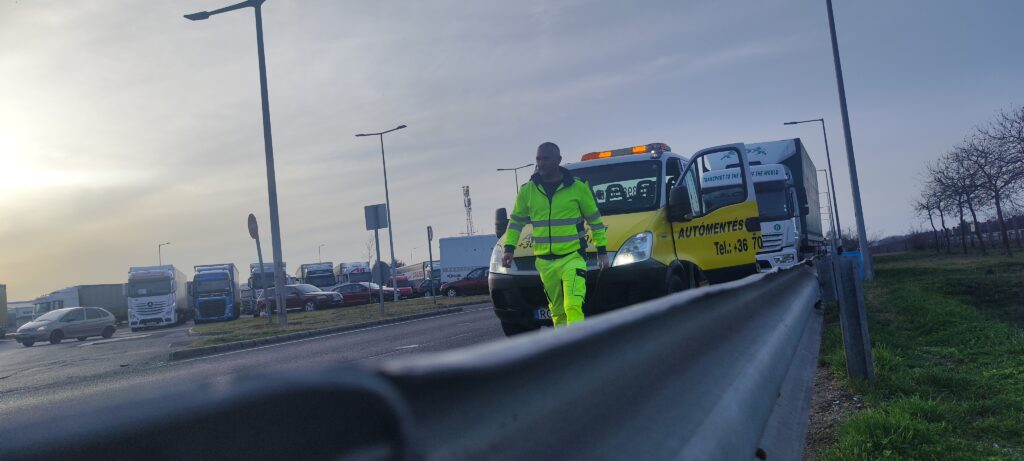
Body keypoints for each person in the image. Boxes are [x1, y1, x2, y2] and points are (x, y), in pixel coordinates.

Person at [501, 142, 609, 327]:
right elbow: (516, 222)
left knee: (572, 306)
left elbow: (595, 222)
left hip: (572, 258)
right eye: (538, 158)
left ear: (558, 160)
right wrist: (509, 249)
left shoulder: (578, 188)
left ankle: (577, 347)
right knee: (557, 312)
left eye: (545, 158)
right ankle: (565, 349)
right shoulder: (528, 190)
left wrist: (602, 251)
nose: (540, 163)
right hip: (544, 262)